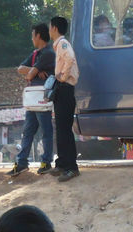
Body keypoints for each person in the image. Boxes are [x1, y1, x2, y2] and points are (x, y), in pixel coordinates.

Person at [8, 23, 56, 177]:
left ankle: (46, 161)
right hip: (33, 99)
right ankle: (22, 162)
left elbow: (27, 75)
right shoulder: (36, 54)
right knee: (28, 132)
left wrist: (32, 71)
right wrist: (37, 70)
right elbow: (20, 68)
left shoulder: (48, 53)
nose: (32, 38)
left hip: (42, 98)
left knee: (46, 131)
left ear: (38, 36)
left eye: (33, 35)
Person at [45, 17, 80, 183]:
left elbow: (70, 58)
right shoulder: (58, 44)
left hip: (65, 88)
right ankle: (62, 163)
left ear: (55, 28)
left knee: (64, 129)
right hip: (63, 90)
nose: (49, 30)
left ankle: (71, 167)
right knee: (60, 128)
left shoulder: (62, 44)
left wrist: (62, 76)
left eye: (50, 27)